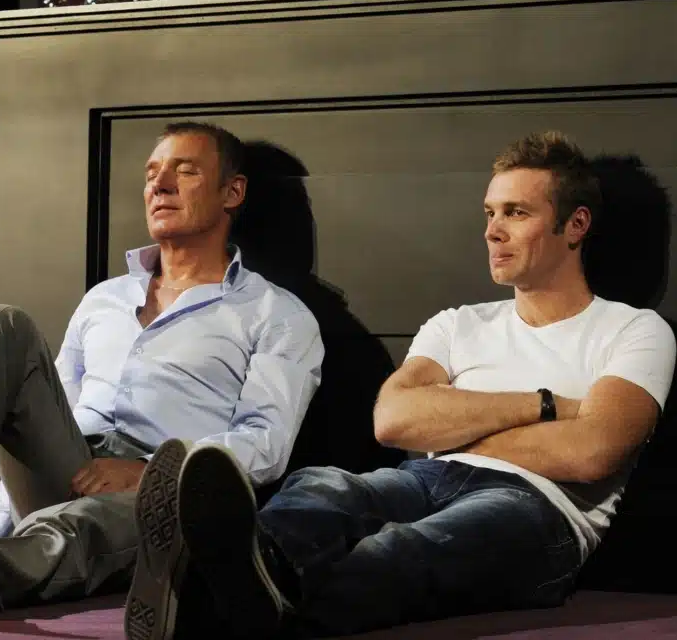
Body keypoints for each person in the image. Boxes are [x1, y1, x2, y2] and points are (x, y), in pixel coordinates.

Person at [125, 131, 677, 639]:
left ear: (575, 225)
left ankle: (211, 612)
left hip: (539, 508)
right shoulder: (457, 324)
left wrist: (455, 426)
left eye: (516, 213)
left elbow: (592, 452)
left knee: (400, 552)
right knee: (324, 488)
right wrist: (547, 406)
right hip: (426, 477)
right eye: (490, 212)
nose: (492, 230)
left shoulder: (633, 329)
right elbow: (391, 421)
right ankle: (218, 586)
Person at [0, 121, 324, 618]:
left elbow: (265, 441)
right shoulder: (104, 298)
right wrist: (0, 515)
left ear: (233, 192)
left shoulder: (277, 314)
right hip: (71, 467)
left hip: (165, 491)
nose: (160, 186)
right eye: (152, 174)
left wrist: (149, 471)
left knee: (92, 527)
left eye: (184, 172)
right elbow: (55, 407)